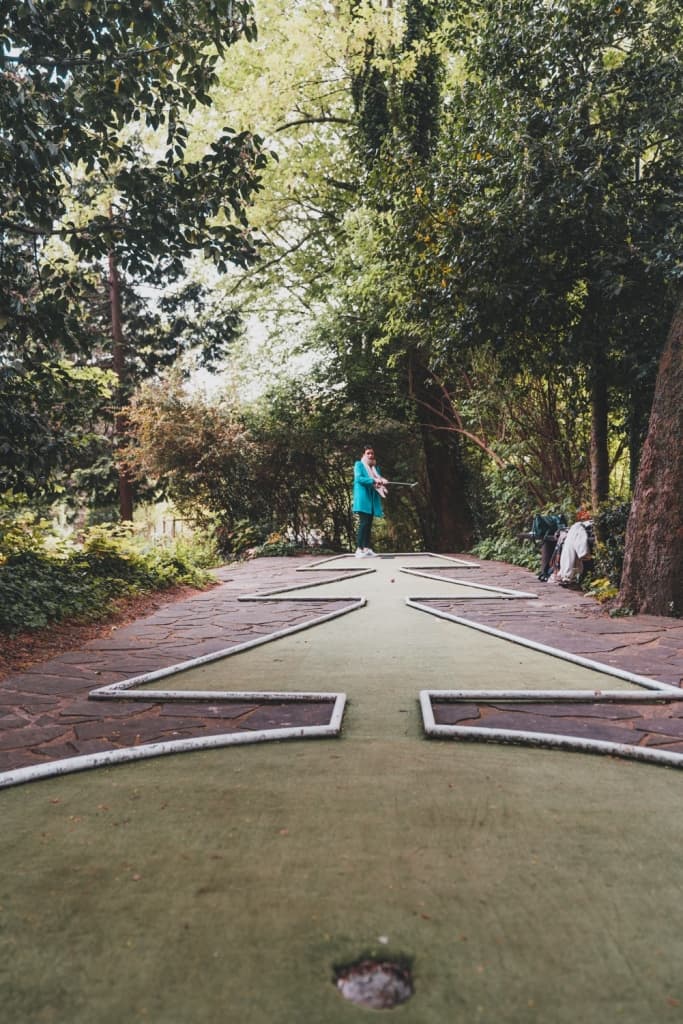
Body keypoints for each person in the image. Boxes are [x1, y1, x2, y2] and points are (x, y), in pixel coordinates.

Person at [352, 445, 388, 557]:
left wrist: (382, 480)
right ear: (363, 455)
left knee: (368, 524)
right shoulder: (359, 465)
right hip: (363, 499)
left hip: (372, 499)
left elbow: (378, 479)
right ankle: (359, 549)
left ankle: (366, 548)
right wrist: (374, 480)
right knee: (364, 523)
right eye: (368, 453)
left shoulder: (375, 468)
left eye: (372, 453)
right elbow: (359, 479)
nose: (370, 455)